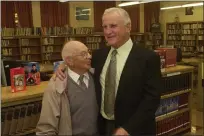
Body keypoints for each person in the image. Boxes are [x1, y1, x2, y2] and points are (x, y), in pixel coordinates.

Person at [55, 7, 162, 136]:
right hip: (103, 127)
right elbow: (77, 63)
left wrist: (128, 129)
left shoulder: (148, 58)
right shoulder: (99, 56)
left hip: (135, 129)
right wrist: (63, 66)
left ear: (128, 27)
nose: (107, 31)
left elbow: (152, 99)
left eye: (113, 26)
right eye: (104, 27)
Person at [36, 41, 98, 135]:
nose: (89, 56)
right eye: (83, 54)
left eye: (89, 52)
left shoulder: (98, 77)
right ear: (70, 61)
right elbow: (46, 128)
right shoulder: (56, 87)